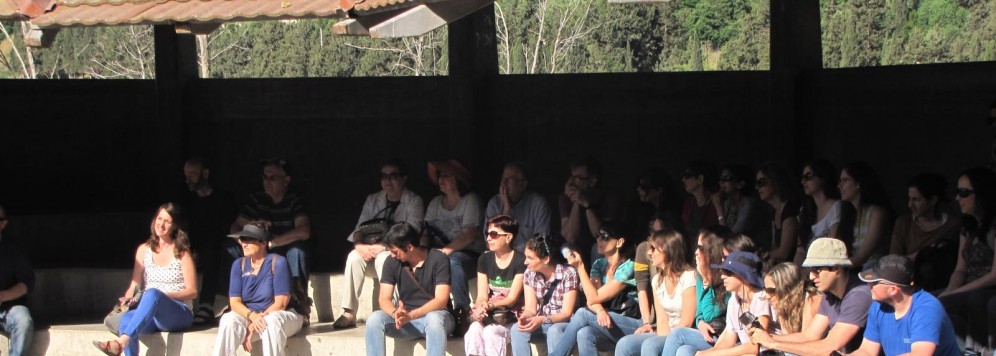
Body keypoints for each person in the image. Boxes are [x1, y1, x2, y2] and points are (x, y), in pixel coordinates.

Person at [93, 203, 198, 356]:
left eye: (167, 221)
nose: (161, 224)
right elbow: (135, 284)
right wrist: (127, 300)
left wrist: (163, 296)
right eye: (159, 219)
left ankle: (121, 343)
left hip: (178, 312)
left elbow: (192, 291)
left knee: (152, 293)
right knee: (126, 320)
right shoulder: (144, 250)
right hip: (151, 311)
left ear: (175, 226)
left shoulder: (182, 253)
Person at [334, 158, 425, 329]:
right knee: (354, 257)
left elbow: (411, 234)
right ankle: (349, 312)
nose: (387, 181)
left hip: (399, 256)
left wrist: (383, 247)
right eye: (384, 177)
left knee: (385, 257)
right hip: (370, 251)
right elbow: (359, 230)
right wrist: (359, 246)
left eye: (393, 176)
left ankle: (394, 310)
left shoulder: (414, 200)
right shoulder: (373, 199)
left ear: (403, 179)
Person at [750, 237, 872, 355]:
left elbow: (830, 346)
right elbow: (810, 335)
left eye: (817, 270)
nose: (811, 277)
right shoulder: (829, 294)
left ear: (837, 268)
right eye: (810, 270)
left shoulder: (858, 295)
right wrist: (767, 337)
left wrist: (773, 344)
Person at [230, 157, 311, 319]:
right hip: (259, 250)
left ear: (286, 180)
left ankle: (298, 304)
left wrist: (272, 242)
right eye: (265, 177)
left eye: (273, 178)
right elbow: (236, 225)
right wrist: (243, 241)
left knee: (297, 251)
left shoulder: (293, 199)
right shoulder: (257, 198)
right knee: (230, 249)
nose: (267, 181)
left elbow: (304, 231)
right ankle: (235, 302)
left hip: (282, 247)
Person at [212, 222, 304, 356]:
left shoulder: (278, 262)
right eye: (242, 239)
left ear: (263, 243)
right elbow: (234, 302)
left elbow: (281, 303)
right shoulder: (239, 265)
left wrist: (255, 324)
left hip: (282, 316)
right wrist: (253, 317)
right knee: (227, 320)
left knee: (270, 322)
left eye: (249, 240)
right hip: (252, 316)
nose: (244, 244)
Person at [548, 223, 640, 356]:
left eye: (604, 236)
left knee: (582, 313)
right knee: (584, 333)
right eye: (597, 236)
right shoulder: (599, 264)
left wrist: (580, 267)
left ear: (619, 242)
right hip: (608, 321)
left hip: (631, 323)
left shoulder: (629, 267)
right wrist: (600, 310)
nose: (599, 240)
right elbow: (591, 300)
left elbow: (593, 298)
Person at [365, 222, 454, 356]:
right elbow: (384, 298)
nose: (393, 255)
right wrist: (396, 313)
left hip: (439, 318)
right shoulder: (391, 262)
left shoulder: (438, 258)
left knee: (434, 319)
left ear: (409, 247)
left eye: (395, 251)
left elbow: (441, 300)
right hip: (407, 322)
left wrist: (411, 315)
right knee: (374, 319)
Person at [848, 255, 960, 356]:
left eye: (874, 282)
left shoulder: (927, 309)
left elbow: (920, 354)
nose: (869, 285)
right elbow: (867, 351)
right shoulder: (878, 306)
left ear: (893, 290)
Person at [939, 167, 996, 353]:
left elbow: (994, 276)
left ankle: (976, 351)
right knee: (928, 301)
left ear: (982, 194)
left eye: (964, 193)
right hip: (968, 286)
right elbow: (960, 269)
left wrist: (957, 293)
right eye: (957, 192)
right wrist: (950, 289)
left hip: (987, 288)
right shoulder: (968, 226)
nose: (957, 198)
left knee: (974, 301)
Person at [615, 229, 697, 356]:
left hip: (685, 335)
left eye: (653, 248)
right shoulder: (657, 280)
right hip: (667, 333)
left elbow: (686, 322)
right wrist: (661, 340)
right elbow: (662, 321)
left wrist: (664, 344)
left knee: (650, 345)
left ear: (667, 250)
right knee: (624, 344)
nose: (649, 253)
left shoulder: (689, 277)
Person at [424, 159, 483, 324]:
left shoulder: (470, 200)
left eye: (446, 176)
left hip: (470, 255)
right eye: (440, 176)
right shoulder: (435, 203)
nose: (441, 179)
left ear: (457, 179)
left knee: (452, 260)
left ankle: (462, 310)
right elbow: (425, 232)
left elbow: (469, 235)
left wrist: (442, 253)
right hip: (440, 254)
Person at [181, 157, 239, 324]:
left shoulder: (224, 198)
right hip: (194, 248)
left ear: (205, 174)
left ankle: (206, 305)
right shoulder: (187, 201)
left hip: (218, 247)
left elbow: (226, 228)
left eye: (192, 174)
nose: (188, 179)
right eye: (186, 175)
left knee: (213, 252)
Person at [659, 228, 731, 356]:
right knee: (684, 351)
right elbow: (699, 312)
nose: (696, 252)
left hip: (722, 336)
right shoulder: (699, 274)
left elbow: (710, 314)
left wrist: (706, 281)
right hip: (706, 331)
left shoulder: (727, 277)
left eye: (701, 248)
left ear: (713, 251)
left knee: (678, 334)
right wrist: (700, 323)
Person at [465, 215, 526, 356]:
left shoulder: (520, 261)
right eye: (487, 234)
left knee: (490, 332)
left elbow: (512, 299)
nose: (488, 238)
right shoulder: (484, 259)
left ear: (508, 237)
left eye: (494, 234)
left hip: (510, 317)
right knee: (474, 329)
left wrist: (490, 305)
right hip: (491, 314)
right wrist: (481, 306)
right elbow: (481, 295)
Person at [509, 234, 579, 356]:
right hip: (542, 322)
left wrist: (543, 319)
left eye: (530, 258)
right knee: (516, 329)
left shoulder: (568, 273)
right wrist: (525, 318)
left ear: (546, 259)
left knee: (554, 330)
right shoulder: (529, 274)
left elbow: (567, 313)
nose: (525, 262)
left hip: (563, 324)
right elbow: (531, 308)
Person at [890, 173, 961, 291]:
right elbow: (893, 261)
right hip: (906, 282)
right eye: (909, 199)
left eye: (916, 200)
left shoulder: (952, 225)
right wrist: (921, 253)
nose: (910, 205)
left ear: (933, 200)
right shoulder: (904, 222)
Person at [695, 251, 771, 356]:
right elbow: (728, 339)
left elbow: (755, 346)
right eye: (723, 271)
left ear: (746, 277)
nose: (722, 276)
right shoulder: (734, 300)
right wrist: (707, 353)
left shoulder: (761, 298)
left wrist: (714, 355)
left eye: (728, 272)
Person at [560, 156, 620, 265]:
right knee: (567, 248)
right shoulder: (566, 198)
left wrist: (587, 205)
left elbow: (601, 235)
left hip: (600, 246)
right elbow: (570, 237)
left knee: (598, 247)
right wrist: (576, 202)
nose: (571, 182)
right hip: (579, 246)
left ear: (592, 181)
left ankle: (595, 281)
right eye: (571, 177)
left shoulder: (608, 197)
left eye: (577, 178)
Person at [484, 162, 552, 252]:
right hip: (501, 258)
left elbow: (541, 243)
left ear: (522, 185)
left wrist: (514, 254)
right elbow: (490, 244)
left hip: (528, 259)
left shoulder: (538, 203)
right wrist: (506, 211)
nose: (504, 184)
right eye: (503, 179)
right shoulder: (495, 203)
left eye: (509, 180)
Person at [797, 159, 855, 265]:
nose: (803, 182)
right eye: (802, 177)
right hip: (806, 270)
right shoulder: (804, 211)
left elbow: (833, 247)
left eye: (808, 176)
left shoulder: (837, 207)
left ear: (823, 177)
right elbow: (800, 252)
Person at [839, 162, 893, 268]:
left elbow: (862, 256)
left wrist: (831, 267)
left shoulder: (877, 213)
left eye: (845, 180)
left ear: (859, 183)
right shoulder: (849, 215)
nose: (839, 185)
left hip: (874, 272)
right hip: (854, 272)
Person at [712, 164, 772, 253]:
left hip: (752, 254)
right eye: (720, 179)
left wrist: (719, 211)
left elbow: (731, 238)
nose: (721, 182)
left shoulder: (749, 205)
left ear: (740, 184)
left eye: (726, 178)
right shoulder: (727, 204)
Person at [0, 205, 34, 356]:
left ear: (3, 223)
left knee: (23, 320)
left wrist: (2, 296)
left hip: (9, 307)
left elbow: (25, 284)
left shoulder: (14, 251)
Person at [756, 162, 802, 266]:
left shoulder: (790, 208)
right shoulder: (774, 211)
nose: (757, 188)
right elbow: (775, 247)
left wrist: (760, 256)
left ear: (775, 181)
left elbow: (784, 252)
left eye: (761, 182)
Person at [763, 263, 821, 337]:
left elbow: (806, 341)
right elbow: (787, 340)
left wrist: (768, 339)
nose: (767, 296)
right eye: (765, 290)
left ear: (786, 289)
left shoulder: (812, 301)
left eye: (770, 290)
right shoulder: (783, 307)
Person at [626, 167, 682, 240]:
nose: (639, 189)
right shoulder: (642, 209)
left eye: (644, 187)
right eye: (639, 185)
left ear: (659, 190)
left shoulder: (671, 214)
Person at [680, 160, 721, 259]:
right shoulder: (689, 204)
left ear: (700, 179)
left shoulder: (716, 203)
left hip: (710, 256)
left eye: (687, 176)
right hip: (690, 255)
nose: (683, 179)